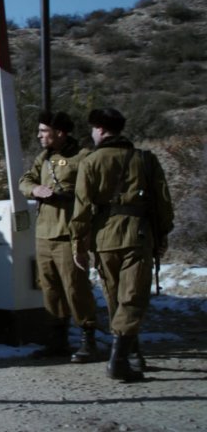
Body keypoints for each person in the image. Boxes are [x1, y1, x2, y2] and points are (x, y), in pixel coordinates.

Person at [70, 108, 174, 381]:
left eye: (93, 129)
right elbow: (163, 202)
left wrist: (78, 245)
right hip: (138, 236)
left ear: (101, 129)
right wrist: (162, 235)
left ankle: (129, 355)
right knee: (133, 297)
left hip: (104, 238)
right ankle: (120, 359)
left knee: (115, 297)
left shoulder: (90, 162)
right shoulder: (145, 159)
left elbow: (81, 209)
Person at [20, 111, 98, 363]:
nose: (39, 136)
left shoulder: (83, 157)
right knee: (50, 288)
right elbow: (25, 180)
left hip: (68, 232)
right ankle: (57, 340)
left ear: (60, 133)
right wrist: (35, 189)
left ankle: (88, 338)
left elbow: (94, 191)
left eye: (44, 131)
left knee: (76, 288)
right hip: (44, 233)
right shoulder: (44, 157)